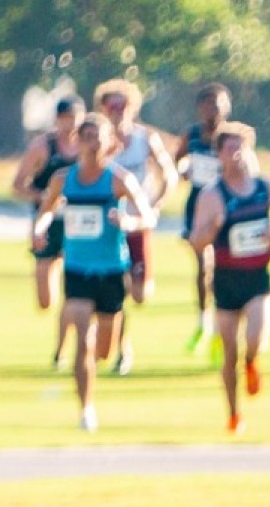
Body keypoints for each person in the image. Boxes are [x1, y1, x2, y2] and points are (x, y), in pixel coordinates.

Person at [32, 114, 155, 432]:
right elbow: (45, 212)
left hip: (111, 270)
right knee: (83, 341)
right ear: (77, 141)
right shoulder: (63, 179)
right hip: (77, 269)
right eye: (86, 136)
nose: (92, 143)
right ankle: (86, 410)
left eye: (98, 137)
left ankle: (102, 360)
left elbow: (147, 217)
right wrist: (39, 230)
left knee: (103, 349)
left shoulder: (119, 179)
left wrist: (128, 222)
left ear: (110, 141)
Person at [188, 122, 270, 433]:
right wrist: (213, 227)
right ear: (219, 154)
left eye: (241, 147)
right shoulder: (212, 195)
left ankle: (253, 362)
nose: (236, 154)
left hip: (258, 279)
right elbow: (196, 241)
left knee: (255, 339)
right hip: (226, 280)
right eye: (230, 148)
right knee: (229, 354)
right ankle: (234, 413)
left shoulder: (268, 187)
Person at [95, 78, 178, 376]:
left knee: (140, 293)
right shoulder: (98, 143)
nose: (117, 111)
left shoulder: (145, 139)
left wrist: (155, 204)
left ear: (133, 107)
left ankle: (113, 332)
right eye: (111, 106)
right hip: (109, 227)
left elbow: (169, 174)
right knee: (117, 288)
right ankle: (121, 347)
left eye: (123, 105)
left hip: (138, 224)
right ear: (103, 109)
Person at [12, 96, 84, 370]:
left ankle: (61, 350)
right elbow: (18, 184)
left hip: (80, 223)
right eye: (66, 118)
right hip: (48, 222)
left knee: (73, 292)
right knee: (45, 300)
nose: (70, 124)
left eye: (75, 118)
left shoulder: (89, 146)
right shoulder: (43, 146)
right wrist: (45, 197)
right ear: (57, 119)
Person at [174, 83, 232, 358]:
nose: (214, 109)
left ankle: (223, 325)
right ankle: (203, 321)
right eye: (209, 104)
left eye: (218, 104)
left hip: (227, 206)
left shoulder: (232, 137)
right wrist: (183, 170)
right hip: (197, 207)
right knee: (203, 265)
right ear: (200, 108)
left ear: (227, 107)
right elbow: (177, 160)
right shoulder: (193, 134)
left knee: (223, 267)